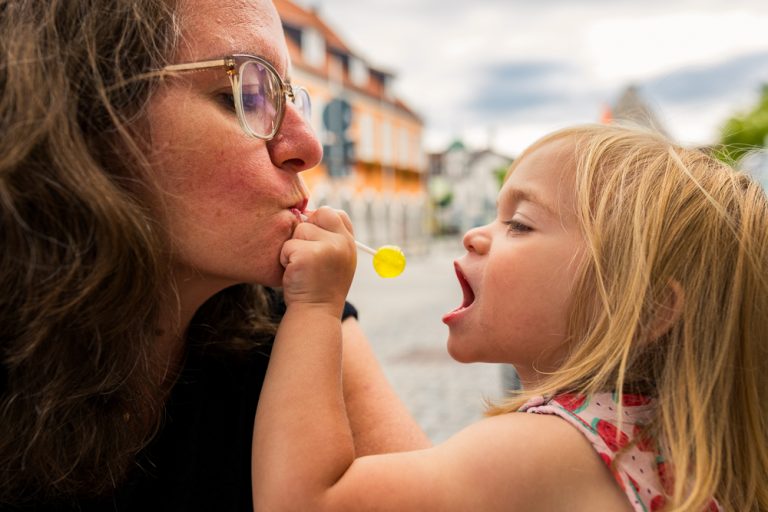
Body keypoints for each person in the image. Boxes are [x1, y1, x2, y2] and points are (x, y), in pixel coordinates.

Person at [0, 0, 429, 509]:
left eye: (291, 99)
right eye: (245, 95)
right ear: (82, 115)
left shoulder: (300, 323)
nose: (308, 146)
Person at [253, 124, 768, 511]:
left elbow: (304, 502)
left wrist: (315, 306)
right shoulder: (671, 444)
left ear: (648, 310)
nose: (474, 235)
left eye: (519, 224)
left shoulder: (553, 450)